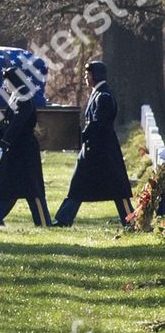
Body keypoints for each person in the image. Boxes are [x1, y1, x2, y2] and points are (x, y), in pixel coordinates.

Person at [54, 60, 132, 227]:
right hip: (93, 150)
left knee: (118, 190)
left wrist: (79, 138)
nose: (86, 78)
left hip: (103, 151)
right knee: (77, 186)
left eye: (88, 75)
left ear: (95, 76)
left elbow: (97, 124)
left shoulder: (103, 96)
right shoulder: (98, 94)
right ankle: (63, 219)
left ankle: (131, 221)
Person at [0, 67, 51, 226]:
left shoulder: (23, 99)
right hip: (15, 151)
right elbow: (7, 124)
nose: (4, 84)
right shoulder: (16, 97)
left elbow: (16, 125)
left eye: (6, 80)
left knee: (33, 190)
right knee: (5, 188)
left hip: (24, 152)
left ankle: (44, 222)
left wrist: (3, 144)